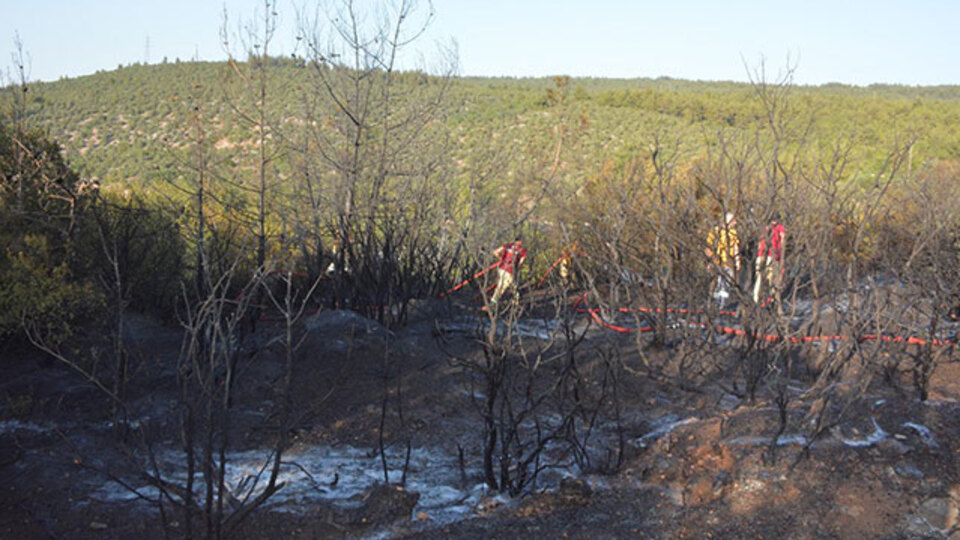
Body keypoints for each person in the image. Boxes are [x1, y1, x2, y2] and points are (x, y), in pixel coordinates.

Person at [705, 212, 741, 306]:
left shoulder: (733, 233)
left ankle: (722, 303)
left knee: (727, 282)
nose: (735, 223)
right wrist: (709, 261)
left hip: (728, 261)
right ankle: (712, 302)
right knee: (716, 281)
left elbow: (736, 247)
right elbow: (708, 246)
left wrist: (737, 260)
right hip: (717, 260)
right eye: (733, 221)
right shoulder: (716, 231)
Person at [753, 217, 786, 304]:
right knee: (768, 278)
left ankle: (760, 299)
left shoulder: (766, 227)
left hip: (767, 255)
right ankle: (768, 299)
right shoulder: (777, 228)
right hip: (770, 256)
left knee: (763, 278)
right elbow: (782, 241)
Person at [491, 236, 527, 306]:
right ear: (520, 241)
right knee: (504, 285)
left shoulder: (508, 245)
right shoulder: (521, 249)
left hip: (502, 268)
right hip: (510, 270)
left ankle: (516, 300)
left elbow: (495, 252)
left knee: (511, 284)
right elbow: (522, 261)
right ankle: (494, 300)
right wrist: (517, 266)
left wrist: (502, 259)